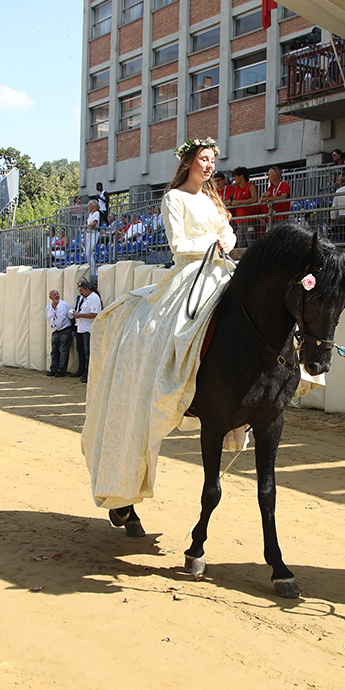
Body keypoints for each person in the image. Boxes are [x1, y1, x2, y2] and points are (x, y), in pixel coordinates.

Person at [81, 137, 237, 514]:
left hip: (222, 269)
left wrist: (227, 239)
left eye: (213, 160)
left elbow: (228, 231)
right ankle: (166, 376)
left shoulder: (213, 199)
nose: (209, 166)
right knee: (172, 328)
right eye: (204, 159)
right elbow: (178, 245)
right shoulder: (174, 199)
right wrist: (212, 244)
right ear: (189, 162)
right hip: (189, 275)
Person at [70, 278, 102, 382]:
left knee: (88, 353)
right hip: (82, 328)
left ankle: (89, 374)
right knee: (82, 351)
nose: (81, 293)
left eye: (82, 291)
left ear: (87, 289)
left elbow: (94, 314)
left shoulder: (94, 298)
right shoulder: (85, 298)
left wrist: (79, 315)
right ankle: (83, 371)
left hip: (89, 329)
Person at [228, 167, 259, 248]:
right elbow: (234, 201)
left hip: (249, 220)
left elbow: (254, 198)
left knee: (251, 244)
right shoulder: (237, 188)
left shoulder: (251, 186)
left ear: (241, 176)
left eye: (235, 176)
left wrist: (239, 202)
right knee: (241, 244)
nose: (234, 179)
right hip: (240, 221)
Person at [45, 289, 73, 377]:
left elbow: (71, 317)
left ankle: (61, 370)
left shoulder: (65, 305)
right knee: (54, 351)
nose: (56, 295)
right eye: (54, 294)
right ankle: (53, 369)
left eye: (57, 294)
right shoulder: (48, 308)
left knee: (63, 351)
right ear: (50, 297)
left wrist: (72, 330)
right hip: (55, 331)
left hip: (65, 330)